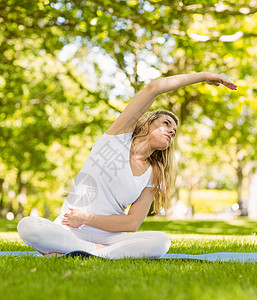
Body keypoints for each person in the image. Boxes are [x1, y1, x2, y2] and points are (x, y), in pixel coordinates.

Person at [17, 71, 237, 259]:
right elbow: (155, 87)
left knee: (161, 242)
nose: (171, 131)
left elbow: (131, 224)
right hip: (69, 228)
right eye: (166, 123)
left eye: (174, 131)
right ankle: (95, 251)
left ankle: (84, 251)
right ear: (149, 123)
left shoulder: (154, 174)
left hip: (109, 236)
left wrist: (85, 218)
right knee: (27, 226)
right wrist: (202, 76)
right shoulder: (117, 137)